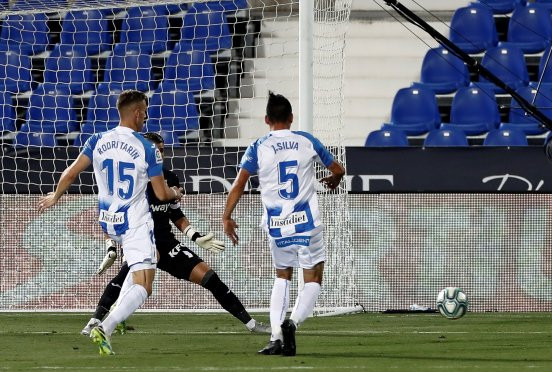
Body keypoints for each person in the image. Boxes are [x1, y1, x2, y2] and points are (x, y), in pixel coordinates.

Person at [81, 132, 270, 337]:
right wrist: (111, 246)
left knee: (210, 278)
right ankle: (95, 322)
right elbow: (110, 213)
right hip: (142, 242)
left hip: (167, 243)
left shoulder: (168, 178)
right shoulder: (132, 181)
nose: (161, 154)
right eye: (157, 150)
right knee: (125, 279)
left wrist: (195, 236)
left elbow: (175, 213)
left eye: (163, 150)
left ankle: (251, 324)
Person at [38, 90, 183, 355]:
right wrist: (176, 193)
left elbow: (69, 173)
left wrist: (55, 196)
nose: (146, 117)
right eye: (146, 112)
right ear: (138, 113)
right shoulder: (148, 147)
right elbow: (161, 194)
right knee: (144, 284)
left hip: (109, 221)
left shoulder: (97, 140)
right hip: (135, 223)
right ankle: (105, 326)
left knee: (145, 259)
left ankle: (110, 314)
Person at [222, 92, 345, 356]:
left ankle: (275, 336)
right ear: (291, 118)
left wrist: (226, 216)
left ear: (267, 119)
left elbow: (239, 184)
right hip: (306, 222)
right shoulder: (306, 141)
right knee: (313, 277)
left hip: (277, 225)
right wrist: (334, 179)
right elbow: (338, 169)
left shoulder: (258, 146)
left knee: (283, 276)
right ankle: (293, 323)